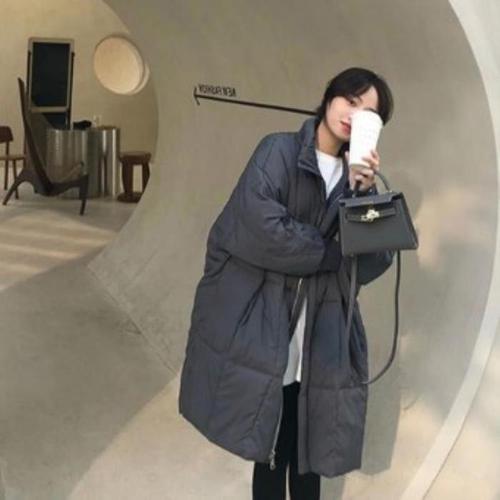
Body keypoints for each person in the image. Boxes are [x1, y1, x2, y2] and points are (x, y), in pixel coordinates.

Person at [178, 67, 394, 500]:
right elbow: (261, 229)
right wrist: (329, 254)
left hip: (321, 333)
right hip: (270, 325)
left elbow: (370, 264)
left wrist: (362, 197)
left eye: (368, 114)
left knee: (310, 451)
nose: (354, 115)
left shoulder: (360, 184)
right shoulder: (277, 150)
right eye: (350, 101)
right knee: (272, 448)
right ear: (329, 97)